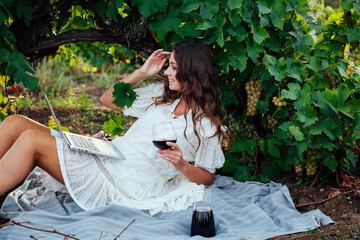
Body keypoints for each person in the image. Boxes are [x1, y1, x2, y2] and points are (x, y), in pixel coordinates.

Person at [0, 42, 227, 215]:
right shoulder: (162, 95)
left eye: (174, 67)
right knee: (15, 122)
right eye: (169, 66)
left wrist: (181, 164)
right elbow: (108, 99)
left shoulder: (205, 124)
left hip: (121, 182)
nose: (166, 72)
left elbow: (208, 177)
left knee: (31, 139)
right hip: (107, 155)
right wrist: (142, 72)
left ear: (192, 72)